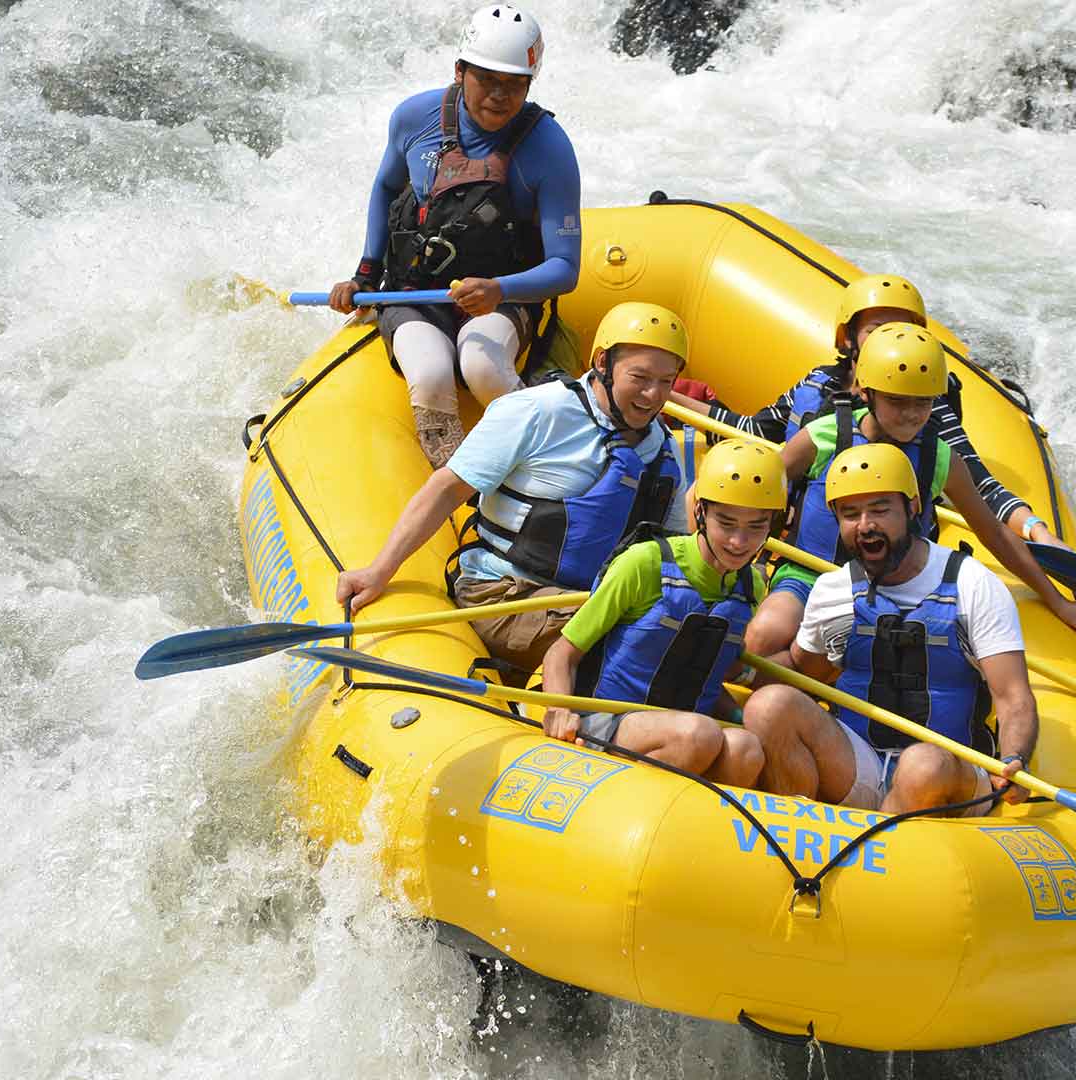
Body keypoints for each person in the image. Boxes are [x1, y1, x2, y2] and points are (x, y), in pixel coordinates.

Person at [335, 301, 693, 674]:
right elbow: (447, 489)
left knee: (689, 633)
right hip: (503, 594)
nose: (653, 395)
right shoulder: (536, 411)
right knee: (634, 635)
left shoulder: (662, 449)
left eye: (665, 382)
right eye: (640, 378)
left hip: (591, 601)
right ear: (602, 363)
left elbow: (673, 554)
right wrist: (379, 571)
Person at [741, 323, 1076, 656]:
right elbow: (757, 486)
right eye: (897, 401)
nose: (912, 414)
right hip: (810, 574)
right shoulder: (822, 436)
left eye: (923, 402)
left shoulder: (941, 459)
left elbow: (995, 534)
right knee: (764, 636)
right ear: (866, 392)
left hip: (895, 590)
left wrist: (1057, 601)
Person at [327, 4, 581, 468]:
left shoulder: (550, 148)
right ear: (460, 71)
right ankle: (454, 478)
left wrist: (499, 289)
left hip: (502, 298)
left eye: (515, 84)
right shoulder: (413, 117)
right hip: (415, 292)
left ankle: (554, 457)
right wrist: (365, 273)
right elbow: (386, 188)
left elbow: (565, 268)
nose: (500, 97)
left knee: (480, 367)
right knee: (429, 373)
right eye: (487, 80)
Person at [743, 445, 1039, 814]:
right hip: (860, 762)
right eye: (851, 514)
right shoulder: (833, 590)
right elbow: (806, 672)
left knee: (921, 767)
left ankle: (875, 858)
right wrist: (738, 664)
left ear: (912, 507)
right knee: (770, 707)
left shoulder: (971, 584)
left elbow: (1014, 697)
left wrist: (1015, 757)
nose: (866, 525)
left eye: (880, 509)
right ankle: (800, 834)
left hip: (948, 775)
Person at [667, 274, 1061, 545]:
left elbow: (979, 483)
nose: (889, 338)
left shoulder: (926, 404)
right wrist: (669, 396)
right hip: (801, 542)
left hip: (883, 551)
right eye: (876, 329)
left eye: (900, 328)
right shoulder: (818, 382)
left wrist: (1034, 528)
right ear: (850, 337)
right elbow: (755, 431)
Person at [535, 440, 788, 786]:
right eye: (726, 524)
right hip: (607, 720)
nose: (739, 542)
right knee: (698, 734)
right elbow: (561, 654)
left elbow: (704, 677)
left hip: (684, 729)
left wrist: (742, 716)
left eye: (756, 527)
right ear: (700, 511)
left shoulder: (751, 588)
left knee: (746, 749)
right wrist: (559, 710)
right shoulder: (645, 562)